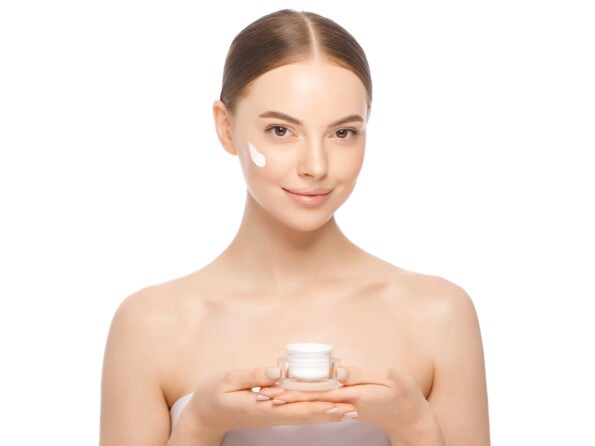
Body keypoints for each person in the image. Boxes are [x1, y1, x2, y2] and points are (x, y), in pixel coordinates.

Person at [100, 9, 490, 446]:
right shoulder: (151, 325)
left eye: (343, 133)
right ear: (226, 128)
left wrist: (414, 426)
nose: (316, 166)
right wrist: (200, 424)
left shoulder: (438, 313)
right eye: (281, 130)